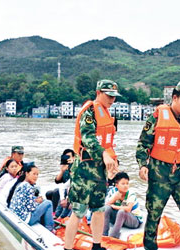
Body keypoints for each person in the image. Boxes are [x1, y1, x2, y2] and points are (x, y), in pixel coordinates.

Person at [136, 80, 180, 250]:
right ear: (175, 97)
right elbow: (143, 143)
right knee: (154, 214)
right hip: (159, 171)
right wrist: (142, 165)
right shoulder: (158, 116)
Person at [64, 79, 121, 250]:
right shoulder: (89, 111)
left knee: (99, 209)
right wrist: (104, 154)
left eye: (114, 97)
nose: (112, 100)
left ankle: (96, 246)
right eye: (108, 96)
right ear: (98, 93)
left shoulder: (109, 115)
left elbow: (108, 143)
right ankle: (67, 248)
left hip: (100, 170)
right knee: (78, 211)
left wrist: (112, 161)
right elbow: (88, 138)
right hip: (84, 169)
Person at [9, 164, 54, 231]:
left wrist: (37, 202)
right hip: (25, 219)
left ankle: (45, 223)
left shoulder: (21, 184)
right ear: (27, 173)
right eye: (34, 174)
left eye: (37, 174)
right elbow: (32, 208)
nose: (36, 177)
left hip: (16, 216)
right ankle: (50, 228)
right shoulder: (29, 187)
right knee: (48, 203)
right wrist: (38, 203)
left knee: (43, 202)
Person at [103, 172, 142, 239]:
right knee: (107, 208)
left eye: (127, 183)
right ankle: (104, 233)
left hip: (133, 221)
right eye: (123, 184)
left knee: (122, 212)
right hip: (119, 218)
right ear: (117, 185)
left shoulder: (131, 194)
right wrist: (115, 198)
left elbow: (128, 209)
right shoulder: (113, 192)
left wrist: (115, 206)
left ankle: (113, 236)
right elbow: (106, 205)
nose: (125, 186)